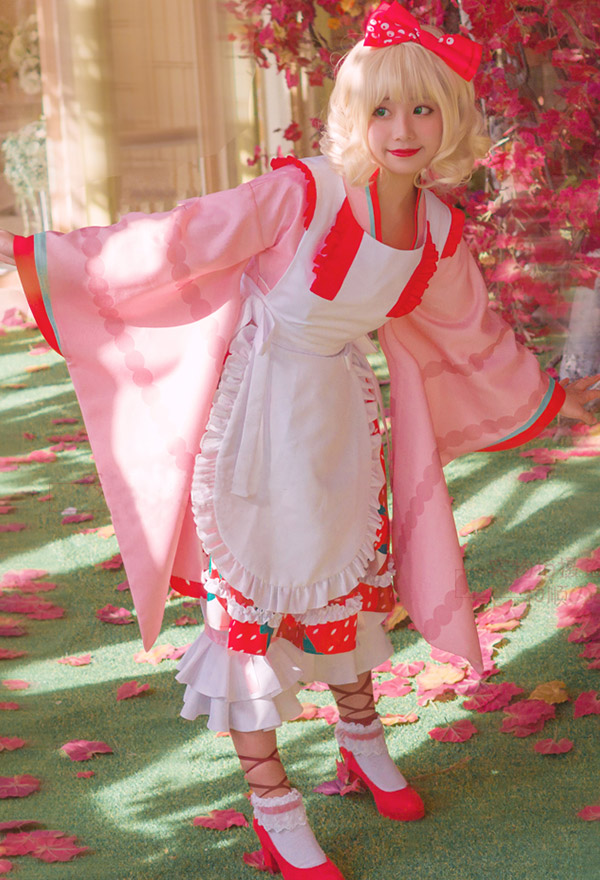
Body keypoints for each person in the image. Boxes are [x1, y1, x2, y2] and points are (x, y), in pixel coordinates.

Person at [1, 3, 599, 877]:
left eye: (424, 108)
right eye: (382, 109)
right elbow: (179, 242)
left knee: (341, 579)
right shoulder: (301, 191)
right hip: (255, 419)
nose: (403, 128)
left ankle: (361, 739)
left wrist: (560, 398)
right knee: (253, 603)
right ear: (353, 113)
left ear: (453, 118)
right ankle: (273, 804)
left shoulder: (438, 231)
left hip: (338, 419)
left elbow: (474, 336)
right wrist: (56, 263)